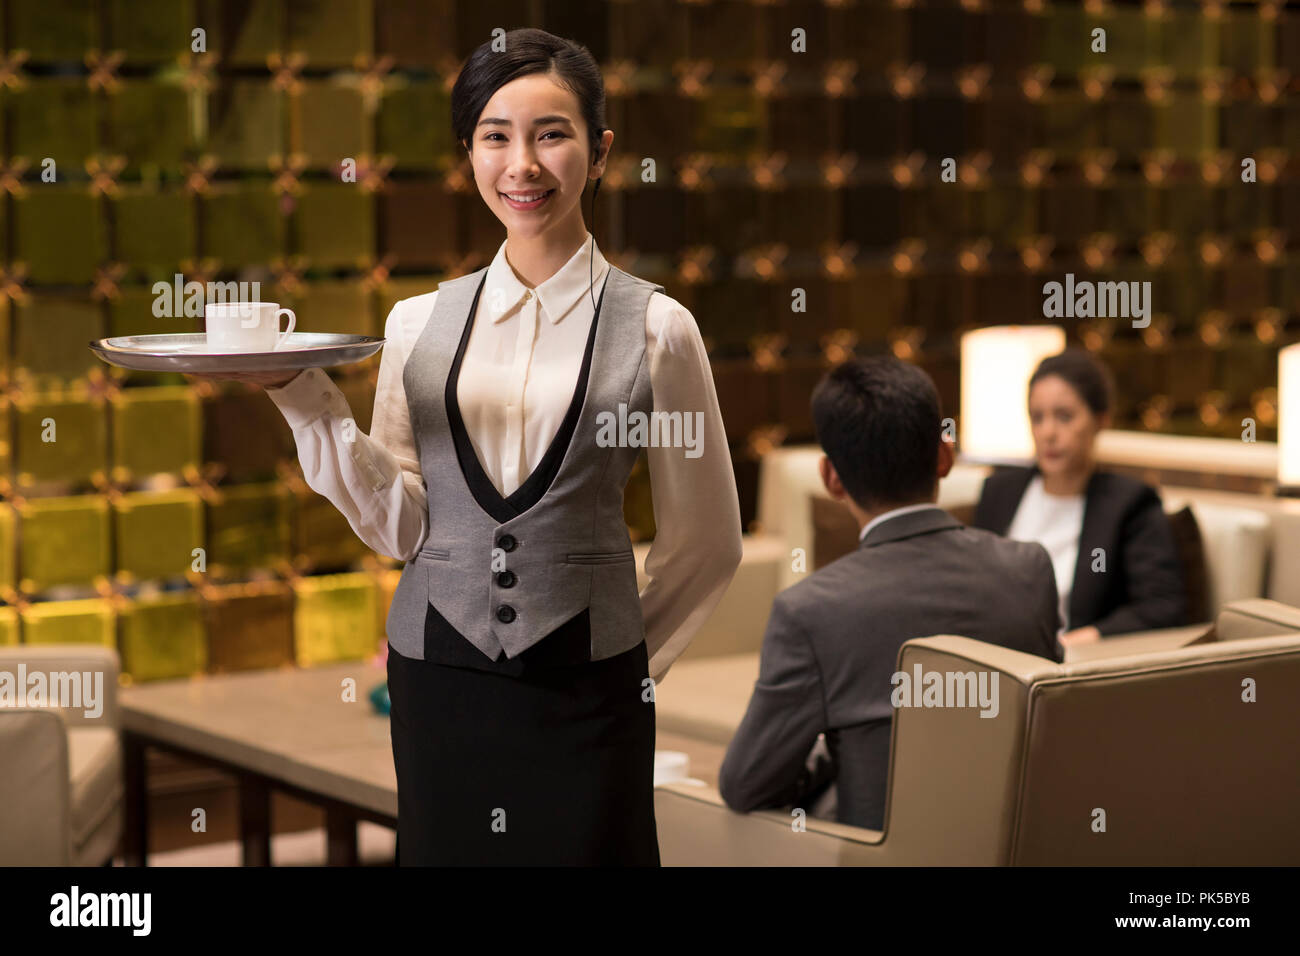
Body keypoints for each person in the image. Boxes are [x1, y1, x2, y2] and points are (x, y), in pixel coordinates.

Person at [191, 28, 742, 865]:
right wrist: (297, 392)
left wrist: (618, 661)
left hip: (590, 699)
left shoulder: (660, 329)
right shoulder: (416, 325)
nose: (521, 163)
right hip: (438, 683)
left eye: (550, 134)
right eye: (495, 136)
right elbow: (404, 526)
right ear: (470, 153)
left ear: (598, 152)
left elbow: (706, 540)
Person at [718, 356, 1061, 832]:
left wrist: (836, 752)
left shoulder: (809, 611)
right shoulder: (1031, 570)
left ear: (831, 478)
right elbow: (1050, 726)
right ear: (944, 456)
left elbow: (746, 785)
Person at [971, 349, 1186, 647]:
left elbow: (1162, 607)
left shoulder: (1130, 503)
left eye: (1064, 416)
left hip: (1069, 668)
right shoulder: (999, 491)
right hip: (989, 655)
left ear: (1101, 420)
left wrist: (1078, 642)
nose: (1048, 432)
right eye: (1037, 417)